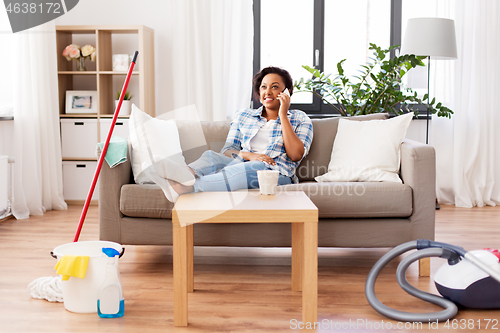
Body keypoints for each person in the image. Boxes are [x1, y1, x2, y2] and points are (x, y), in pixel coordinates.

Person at [158, 66, 313, 201]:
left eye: (274, 87)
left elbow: (295, 155)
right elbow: (227, 151)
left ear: (287, 92)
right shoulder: (244, 116)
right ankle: (184, 173)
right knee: (211, 156)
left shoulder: (299, 118)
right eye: (263, 87)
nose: (268, 92)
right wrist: (251, 155)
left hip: (276, 173)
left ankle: (183, 188)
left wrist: (283, 115)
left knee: (241, 170)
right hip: (243, 162)